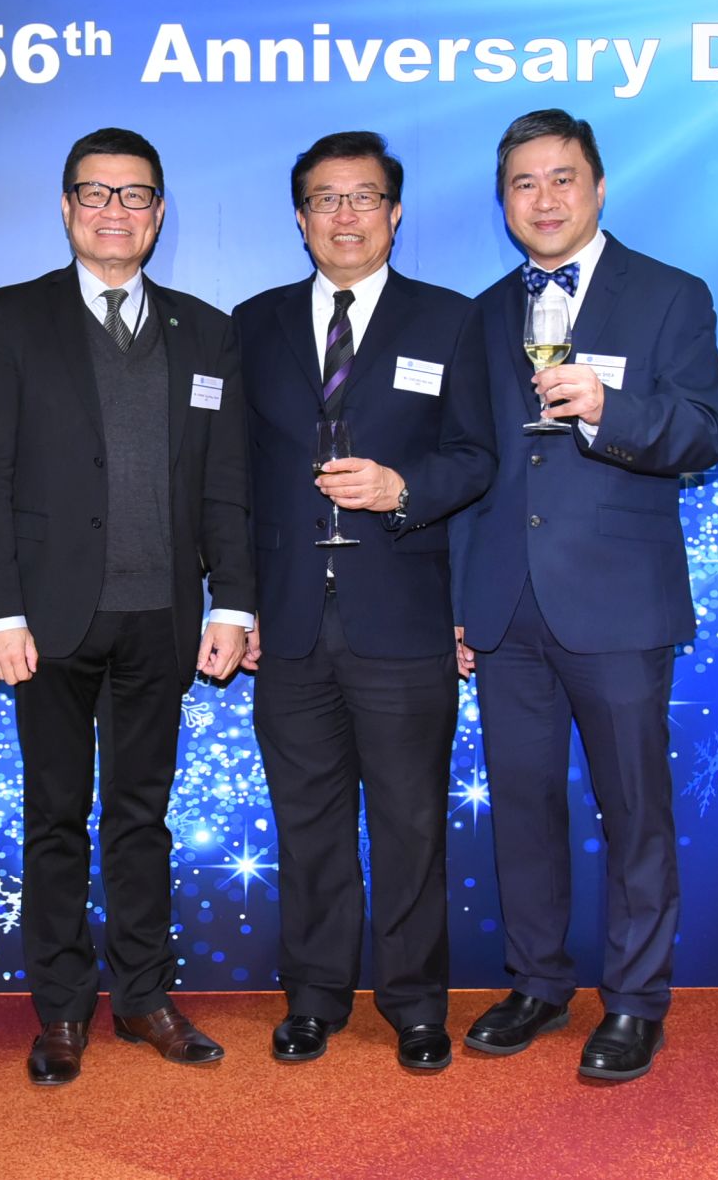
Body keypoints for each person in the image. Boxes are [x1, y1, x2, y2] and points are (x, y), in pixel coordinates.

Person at [0, 127, 256, 1087]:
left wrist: (233, 602)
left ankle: (142, 996)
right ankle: (60, 1009)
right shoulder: (12, 316)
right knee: (54, 817)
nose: (114, 211)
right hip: (46, 625)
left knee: (142, 817)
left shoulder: (205, 330)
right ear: (66, 207)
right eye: (96, 193)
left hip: (160, 620)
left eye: (134, 195)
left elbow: (225, 482)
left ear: (159, 213)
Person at [451, 108, 718, 1082]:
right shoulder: (483, 313)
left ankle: (636, 1000)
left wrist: (613, 409)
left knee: (634, 811)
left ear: (599, 186)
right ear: (503, 202)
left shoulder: (669, 295)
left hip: (618, 603)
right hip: (506, 609)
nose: (544, 199)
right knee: (523, 810)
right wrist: (461, 601)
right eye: (523, 183)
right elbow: (471, 467)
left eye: (562, 178)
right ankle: (537, 981)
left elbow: (704, 434)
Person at [235, 130, 495, 1072]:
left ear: (395, 212)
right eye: (325, 199)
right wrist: (237, 603)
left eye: (364, 197)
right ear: (301, 218)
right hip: (289, 621)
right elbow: (230, 479)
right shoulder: (253, 323)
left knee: (411, 823)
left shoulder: (452, 321)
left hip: (406, 612)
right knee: (307, 823)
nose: (345, 215)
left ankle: (417, 1005)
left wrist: (401, 489)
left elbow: (479, 457)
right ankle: (313, 997)